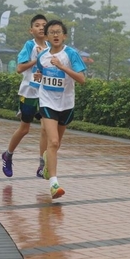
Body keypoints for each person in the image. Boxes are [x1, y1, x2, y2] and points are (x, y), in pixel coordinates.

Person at [36, 19, 86, 200]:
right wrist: (38, 76)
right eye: (52, 32)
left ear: (64, 36)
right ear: (47, 37)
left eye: (58, 32)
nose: (55, 35)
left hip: (66, 104)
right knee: (54, 141)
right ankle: (54, 184)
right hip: (47, 102)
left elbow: (82, 79)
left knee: (56, 145)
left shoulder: (71, 54)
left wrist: (62, 66)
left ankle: (47, 160)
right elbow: (39, 72)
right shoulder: (42, 56)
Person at [1, 14, 48, 178]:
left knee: (45, 129)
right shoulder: (29, 46)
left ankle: (42, 166)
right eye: (37, 25)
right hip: (29, 93)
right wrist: (38, 59)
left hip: (45, 94)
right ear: (31, 30)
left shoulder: (51, 47)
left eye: (44, 25)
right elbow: (19, 68)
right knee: (24, 129)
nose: (41, 27)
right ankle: (8, 154)